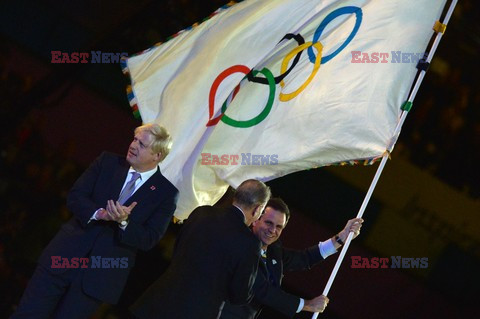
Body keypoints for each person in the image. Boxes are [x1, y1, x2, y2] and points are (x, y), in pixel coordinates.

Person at [11, 123, 179, 319]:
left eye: (142, 145)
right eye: (134, 139)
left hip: (100, 276)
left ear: (157, 155)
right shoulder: (107, 162)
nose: (133, 145)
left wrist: (124, 222)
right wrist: (99, 214)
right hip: (62, 258)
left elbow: (149, 239)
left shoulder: (166, 193)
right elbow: (75, 196)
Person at [130, 179, 271, 319]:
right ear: (258, 209)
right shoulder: (249, 243)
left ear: (237, 195)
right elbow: (239, 296)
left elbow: (177, 249)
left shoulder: (201, 212)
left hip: (157, 303)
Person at [220, 198, 364, 319]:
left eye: (279, 227)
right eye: (268, 223)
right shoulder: (241, 245)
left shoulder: (273, 251)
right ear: (256, 219)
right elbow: (262, 290)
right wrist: (307, 305)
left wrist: (342, 237)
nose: (272, 230)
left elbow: (305, 258)